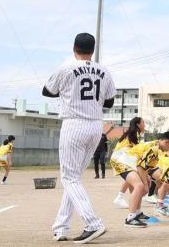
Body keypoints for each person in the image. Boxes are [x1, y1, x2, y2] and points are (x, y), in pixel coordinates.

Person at [42, 32, 116, 244]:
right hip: (95, 126)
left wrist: (68, 92)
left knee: (69, 178)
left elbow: (47, 92)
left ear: (74, 48)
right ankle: (61, 226)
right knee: (73, 178)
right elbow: (109, 102)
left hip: (74, 124)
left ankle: (93, 223)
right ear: (92, 51)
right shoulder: (103, 70)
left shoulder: (66, 68)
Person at [122, 132, 169, 228]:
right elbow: (141, 166)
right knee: (140, 186)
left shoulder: (156, 147)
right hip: (123, 162)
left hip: (132, 164)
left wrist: (146, 179)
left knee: (141, 187)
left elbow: (144, 166)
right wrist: (145, 183)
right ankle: (130, 218)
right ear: (167, 142)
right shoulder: (154, 148)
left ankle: (138, 213)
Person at [110, 116, 146, 208]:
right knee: (136, 178)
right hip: (120, 159)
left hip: (120, 158)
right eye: (143, 123)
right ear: (138, 124)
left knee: (133, 177)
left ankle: (128, 199)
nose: (144, 125)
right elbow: (137, 152)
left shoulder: (131, 133)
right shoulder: (134, 134)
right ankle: (122, 198)